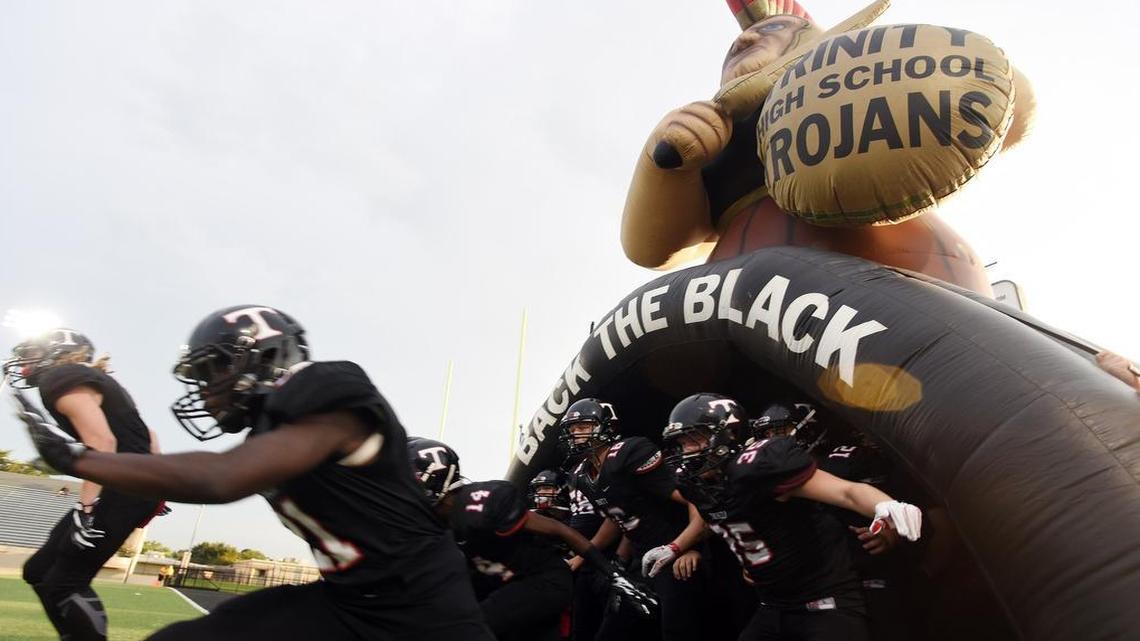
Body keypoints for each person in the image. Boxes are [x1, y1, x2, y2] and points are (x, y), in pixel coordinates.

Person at [14, 305, 494, 641]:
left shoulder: (328, 388)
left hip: (425, 608)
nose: (204, 392)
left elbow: (222, 478)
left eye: (211, 372)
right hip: (350, 601)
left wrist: (75, 458)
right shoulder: (267, 434)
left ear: (261, 355)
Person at [661, 393, 923, 641]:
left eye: (694, 440)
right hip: (773, 605)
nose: (686, 452)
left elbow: (847, 492)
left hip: (822, 605)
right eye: (682, 443)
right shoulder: (698, 484)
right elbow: (720, 520)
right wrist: (677, 547)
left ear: (727, 433)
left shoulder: (758, 465)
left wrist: (887, 505)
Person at [407, 438, 655, 641]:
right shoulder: (433, 524)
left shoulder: (481, 505)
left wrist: (613, 574)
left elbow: (559, 530)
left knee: (469, 625)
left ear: (437, 476)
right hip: (504, 582)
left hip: (541, 580)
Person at [5, 328, 161, 641]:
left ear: (58, 352)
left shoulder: (59, 377)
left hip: (122, 488)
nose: (23, 362)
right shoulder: (88, 377)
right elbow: (150, 435)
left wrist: (86, 508)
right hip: (133, 485)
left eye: (30, 353)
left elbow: (103, 443)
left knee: (64, 584)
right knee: (38, 571)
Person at [560, 398, 709, 641]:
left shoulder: (630, 453)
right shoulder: (580, 475)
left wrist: (685, 547)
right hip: (642, 561)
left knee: (677, 630)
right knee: (613, 630)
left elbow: (695, 498)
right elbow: (617, 517)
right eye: (573, 429)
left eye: (584, 426)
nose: (576, 434)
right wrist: (585, 556)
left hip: (674, 553)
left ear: (606, 425)